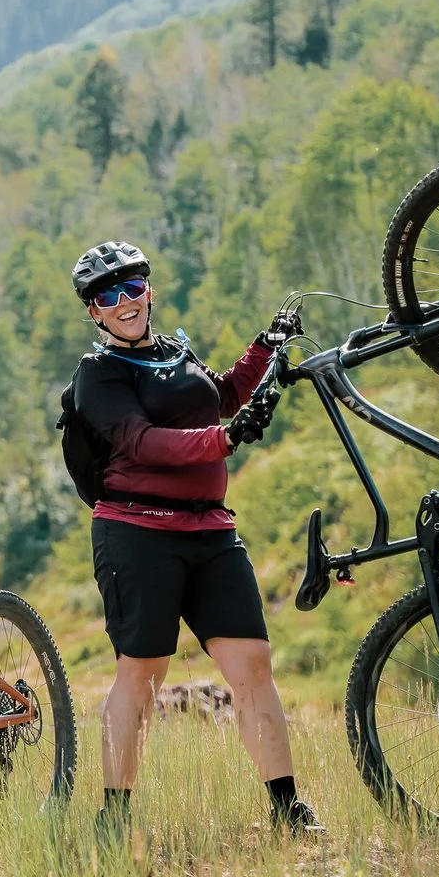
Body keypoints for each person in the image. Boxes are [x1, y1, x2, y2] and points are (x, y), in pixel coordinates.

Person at [63, 241, 317, 841]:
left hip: (210, 529)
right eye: (106, 296)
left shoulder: (177, 352)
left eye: (131, 288)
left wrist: (266, 348)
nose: (123, 302)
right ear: (94, 313)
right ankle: (114, 817)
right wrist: (223, 442)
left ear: (148, 291)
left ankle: (288, 810)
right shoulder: (97, 374)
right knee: (143, 671)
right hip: (135, 531)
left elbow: (224, 396)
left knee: (253, 664)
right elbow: (142, 441)